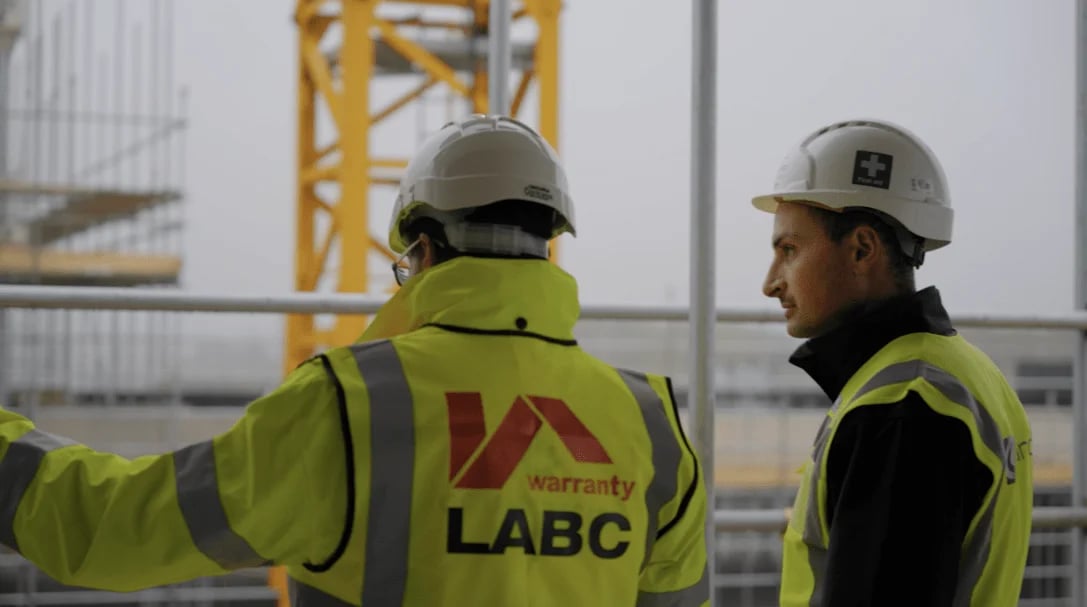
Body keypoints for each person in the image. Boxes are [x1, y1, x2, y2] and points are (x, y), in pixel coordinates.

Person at [0, 115, 709, 606]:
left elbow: (115, 528)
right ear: (550, 242)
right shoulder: (651, 424)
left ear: (423, 250)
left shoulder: (347, 403)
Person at [752, 118, 1034, 606]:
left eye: (790, 250)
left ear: (862, 248)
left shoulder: (901, 407)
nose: (772, 281)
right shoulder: (962, 370)